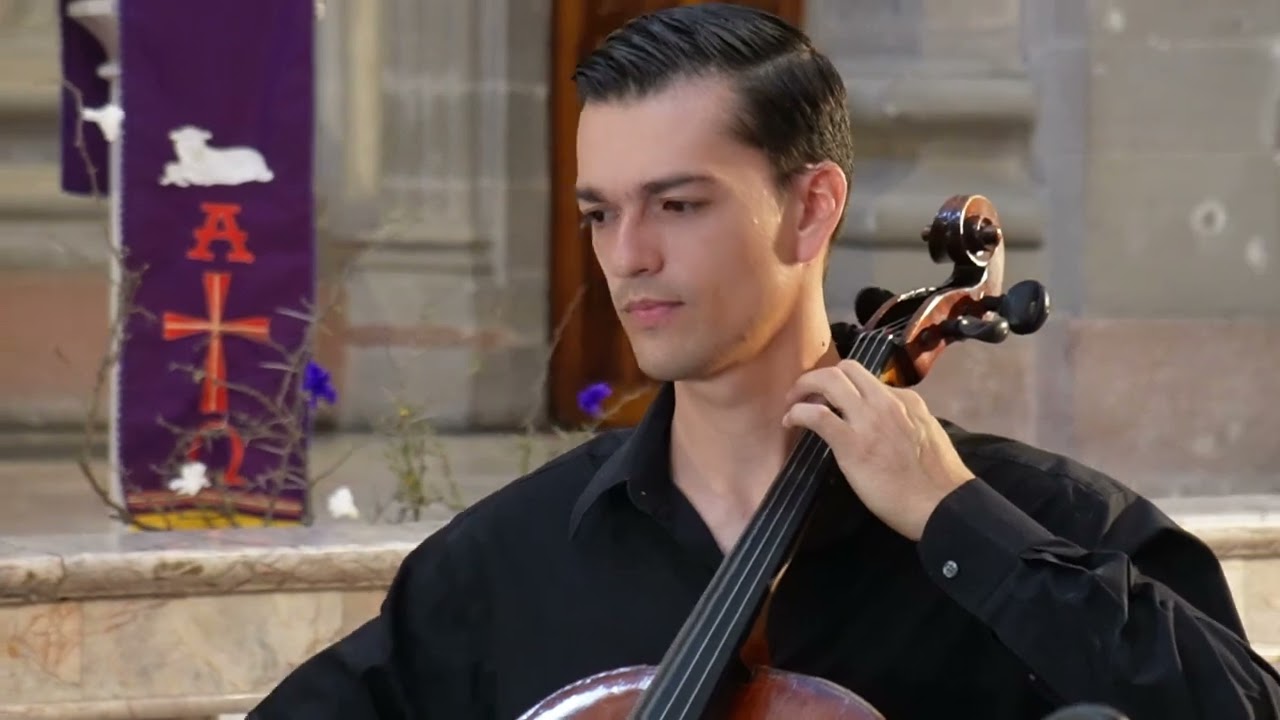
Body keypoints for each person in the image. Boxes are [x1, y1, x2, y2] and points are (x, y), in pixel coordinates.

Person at [249, 4, 1280, 719]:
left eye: (677, 204)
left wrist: (954, 519)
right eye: (600, 213)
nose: (627, 256)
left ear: (811, 208)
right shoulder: (504, 563)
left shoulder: (1045, 522)